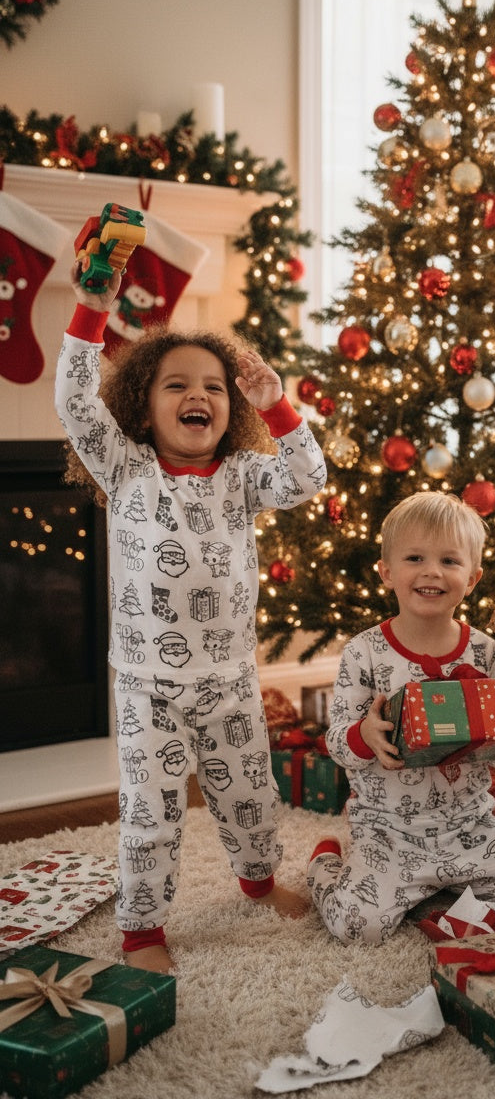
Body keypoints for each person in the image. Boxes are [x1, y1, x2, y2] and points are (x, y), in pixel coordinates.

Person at [56, 265, 327, 973]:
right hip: (149, 684)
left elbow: (308, 479)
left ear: (230, 410)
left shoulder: (241, 477)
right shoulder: (127, 469)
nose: (198, 395)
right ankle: (142, 929)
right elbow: (75, 402)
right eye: (177, 385)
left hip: (231, 679)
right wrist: (89, 312)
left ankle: (259, 881)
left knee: (251, 795)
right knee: (152, 810)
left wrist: (278, 406)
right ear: (144, 410)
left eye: (213, 386)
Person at [307, 490, 495, 945]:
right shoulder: (364, 651)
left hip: (470, 828)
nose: (432, 571)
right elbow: (336, 745)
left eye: (450, 560)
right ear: (387, 573)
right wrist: (366, 733)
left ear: (473, 578)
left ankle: (439, 891)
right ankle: (325, 864)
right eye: (414, 558)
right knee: (357, 928)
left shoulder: (484, 651)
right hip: (388, 834)